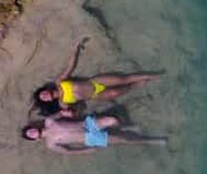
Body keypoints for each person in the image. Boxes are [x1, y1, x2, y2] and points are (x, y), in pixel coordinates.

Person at [33, 38, 162, 115]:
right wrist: (71, 112)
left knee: (123, 79)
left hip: (95, 82)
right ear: (48, 102)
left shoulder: (59, 82)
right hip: (95, 95)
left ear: (45, 90)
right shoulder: (63, 103)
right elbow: (78, 110)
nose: (45, 96)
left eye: (42, 94)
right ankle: (135, 85)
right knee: (119, 91)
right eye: (44, 98)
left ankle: (153, 75)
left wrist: (76, 49)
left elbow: (70, 67)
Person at [22, 110, 167, 154]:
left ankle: (124, 128)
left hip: (88, 124)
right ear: (34, 139)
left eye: (30, 131)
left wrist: (67, 113)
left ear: (32, 127)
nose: (32, 133)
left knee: (113, 119)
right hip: (90, 138)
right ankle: (152, 140)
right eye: (30, 135)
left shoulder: (49, 121)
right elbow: (68, 151)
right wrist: (85, 150)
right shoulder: (51, 144)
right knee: (125, 140)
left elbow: (60, 113)